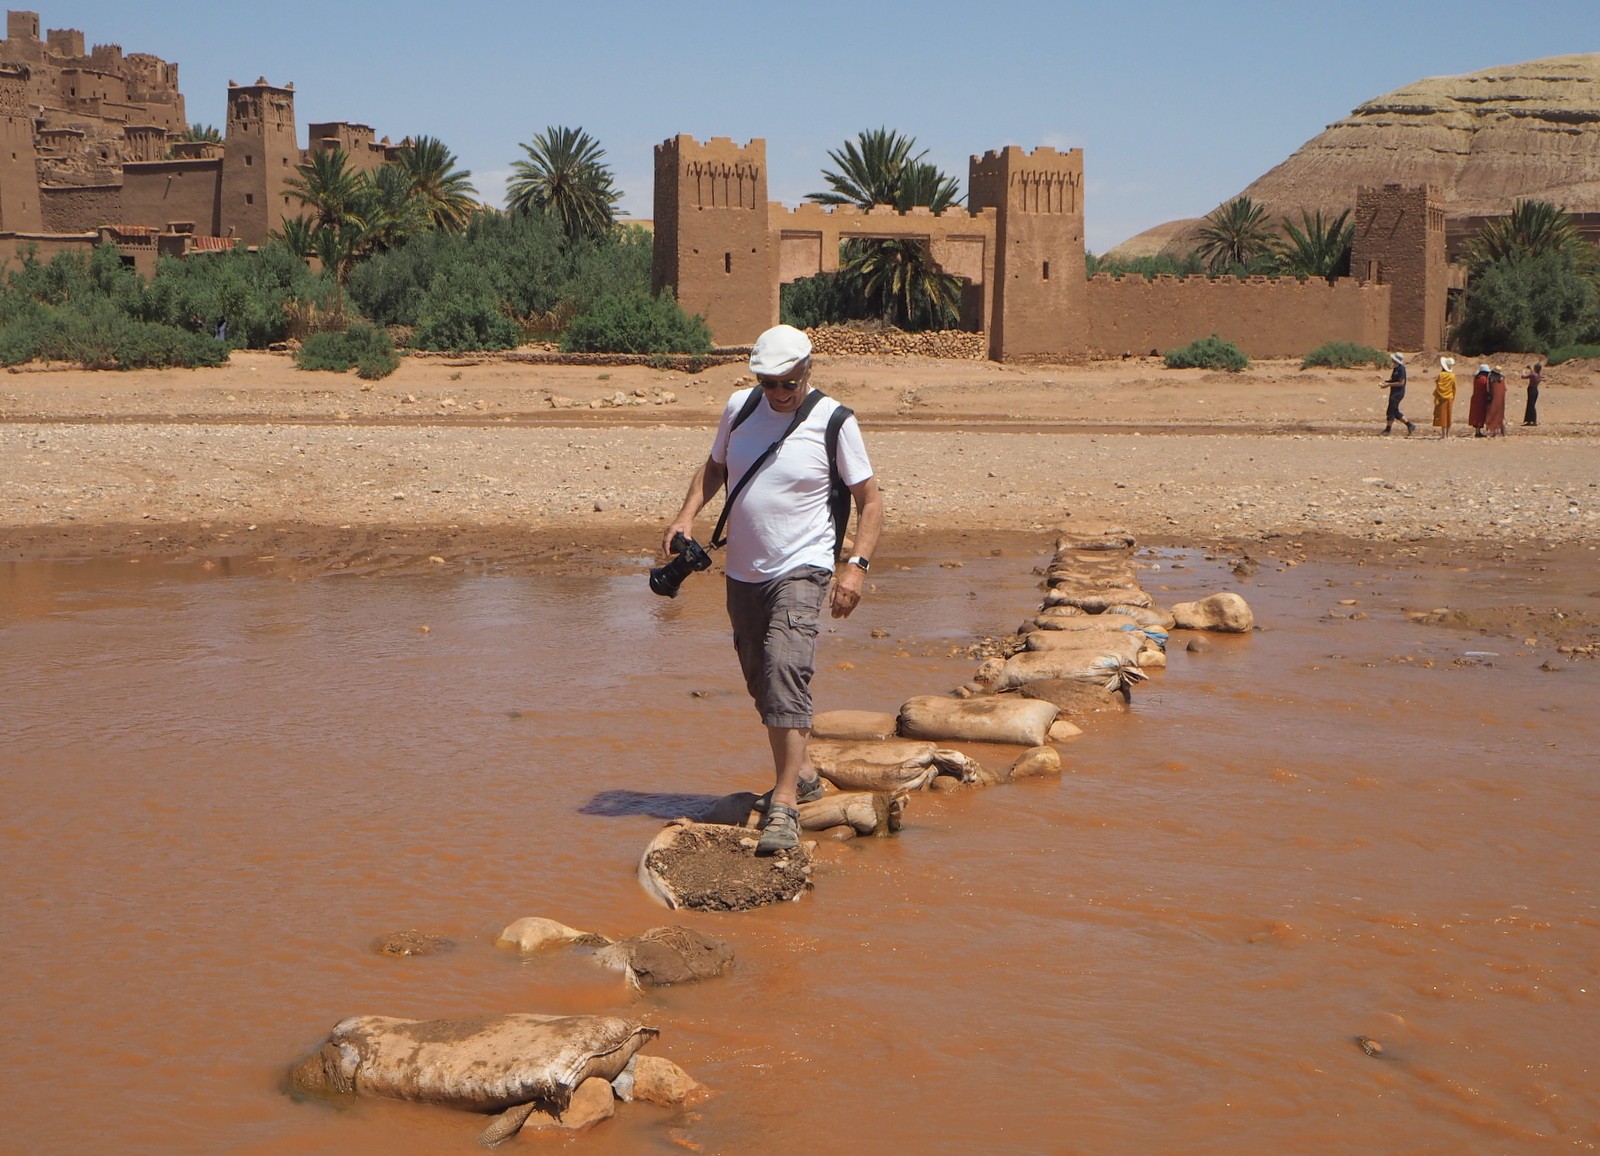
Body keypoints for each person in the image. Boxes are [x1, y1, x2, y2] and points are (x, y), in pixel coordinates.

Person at [663, 324, 883, 856]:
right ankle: (803, 773)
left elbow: (870, 502)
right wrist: (686, 516)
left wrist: (855, 567)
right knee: (760, 678)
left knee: (786, 666)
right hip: (743, 570)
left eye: (788, 383)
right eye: (769, 383)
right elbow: (715, 466)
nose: (779, 394)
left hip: (803, 567)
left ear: (808, 369)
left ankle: (784, 805)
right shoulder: (740, 407)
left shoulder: (835, 421)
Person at [1378, 352, 1415, 436]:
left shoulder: (1401, 369)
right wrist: (1385, 381)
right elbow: (1393, 380)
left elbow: (1401, 383)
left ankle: (1408, 425)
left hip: (1398, 393)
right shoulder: (1396, 368)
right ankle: (1389, 429)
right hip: (1393, 392)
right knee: (1392, 410)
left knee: (1393, 411)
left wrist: (1388, 385)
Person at [1432, 356, 1456, 438]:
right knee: (1449, 415)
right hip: (1449, 397)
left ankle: (1443, 434)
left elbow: (1438, 385)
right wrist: (1453, 397)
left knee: (1443, 415)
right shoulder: (1452, 376)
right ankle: (1448, 434)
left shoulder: (1440, 375)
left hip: (1441, 397)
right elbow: (1454, 388)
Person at [1468, 363, 1491, 436]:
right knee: (1480, 416)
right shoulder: (1484, 379)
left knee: (1476, 416)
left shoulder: (1476, 378)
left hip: (1475, 398)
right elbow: (1486, 390)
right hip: (1481, 400)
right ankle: (1478, 432)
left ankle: (1477, 431)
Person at [1485, 366, 1508, 437]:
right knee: (1501, 416)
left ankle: (1493, 432)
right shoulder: (1502, 379)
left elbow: (1488, 389)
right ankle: (1504, 433)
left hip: (1493, 399)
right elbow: (1505, 389)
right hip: (1501, 400)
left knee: (1492, 414)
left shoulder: (1491, 379)